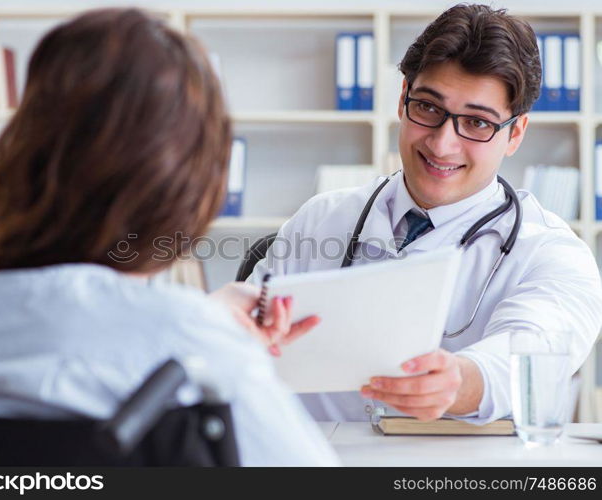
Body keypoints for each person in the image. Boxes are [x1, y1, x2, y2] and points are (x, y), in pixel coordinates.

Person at [0, 9, 337, 466]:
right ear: (186, 184)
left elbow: (70, 338)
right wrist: (203, 331)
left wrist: (203, 320)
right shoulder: (203, 350)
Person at [248, 4, 602, 424]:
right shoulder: (320, 219)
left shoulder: (551, 252)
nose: (442, 144)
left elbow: (529, 354)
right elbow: (242, 344)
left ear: (515, 134)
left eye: (477, 122)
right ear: (402, 100)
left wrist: (459, 380)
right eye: (429, 109)